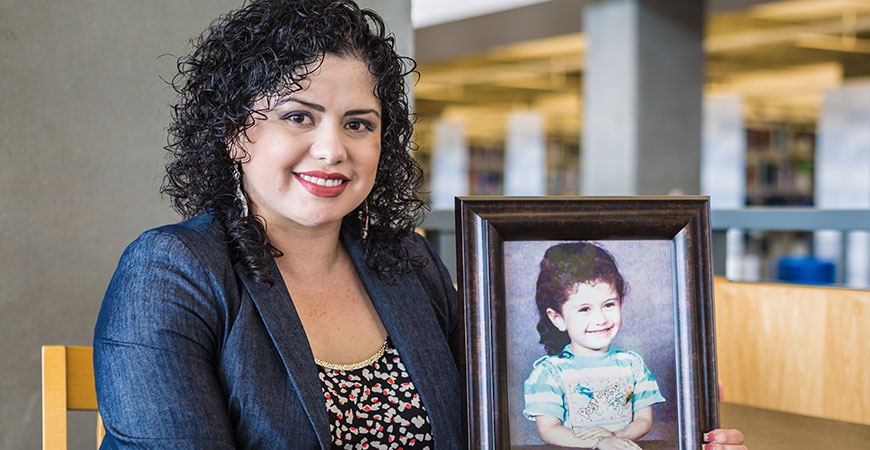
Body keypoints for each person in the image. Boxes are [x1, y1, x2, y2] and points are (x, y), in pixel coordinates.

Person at [92, 1, 747, 449]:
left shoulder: (405, 263)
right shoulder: (171, 272)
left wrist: (680, 430)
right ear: (237, 132)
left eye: (359, 124)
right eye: (299, 116)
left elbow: (510, 422)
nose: (332, 149)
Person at [523, 242, 664, 449]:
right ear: (557, 318)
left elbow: (643, 420)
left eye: (609, 305)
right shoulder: (549, 373)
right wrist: (600, 442)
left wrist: (616, 436)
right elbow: (549, 430)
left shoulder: (632, 365)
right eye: (584, 309)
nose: (601, 319)